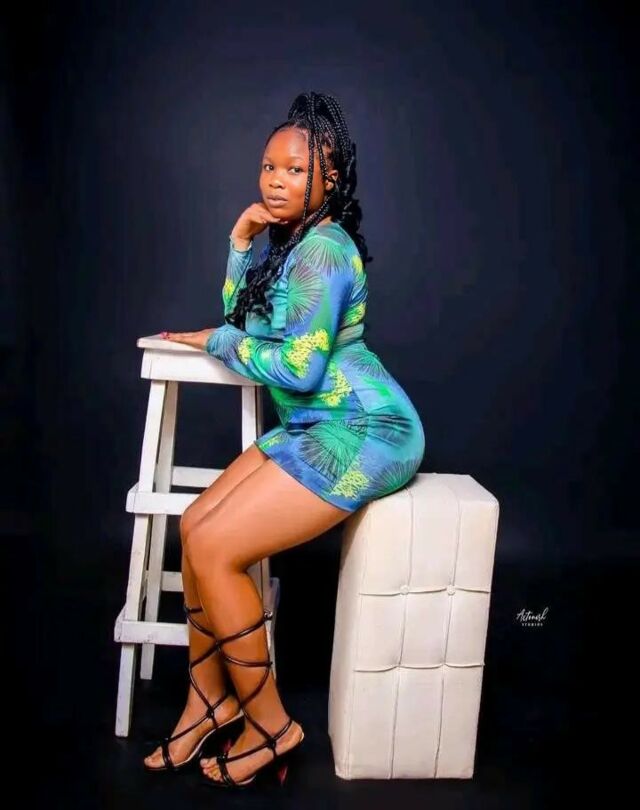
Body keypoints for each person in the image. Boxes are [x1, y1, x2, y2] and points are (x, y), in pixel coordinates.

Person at [144, 90, 426, 788]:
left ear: (331, 178)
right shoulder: (293, 241)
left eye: (295, 170)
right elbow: (243, 317)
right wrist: (240, 244)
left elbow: (298, 368)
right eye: (269, 166)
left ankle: (270, 725)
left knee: (215, 548)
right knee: (196, 526)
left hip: (364, 430)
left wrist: (218, 341)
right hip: (314, 424)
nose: (275, 180)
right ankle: (208, 702)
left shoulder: (323, 251)